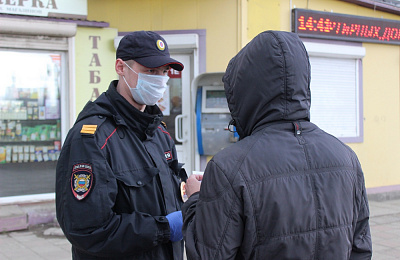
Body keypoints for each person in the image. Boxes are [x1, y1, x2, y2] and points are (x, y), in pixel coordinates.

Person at [182, 30, 372, 259]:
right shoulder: (346, 158)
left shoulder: (229, 167)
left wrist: (194, 201)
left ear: (244, 91)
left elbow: (208, 255)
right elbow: (360, 249)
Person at [56, 31, 187, 260]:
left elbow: (162, 195)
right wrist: (164, 228)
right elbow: (87, 230)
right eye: (150, 71)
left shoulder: (160, 132)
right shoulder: (92, 138)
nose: (159, 79)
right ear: (121, 67)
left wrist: (190, 192)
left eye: (164, 72)